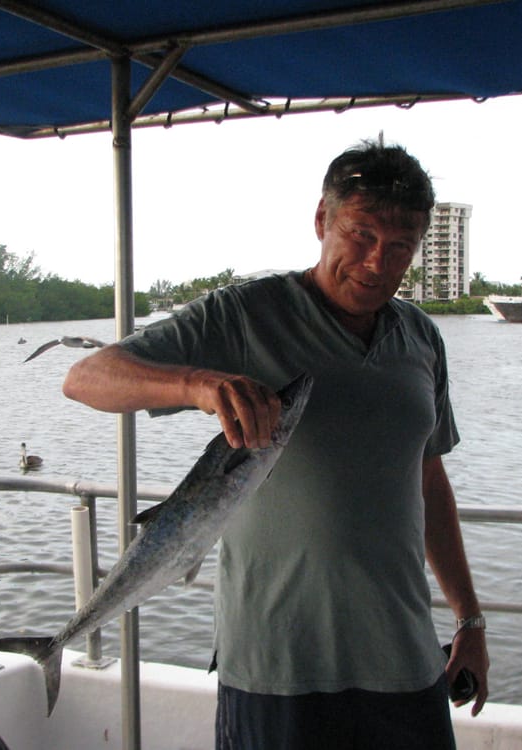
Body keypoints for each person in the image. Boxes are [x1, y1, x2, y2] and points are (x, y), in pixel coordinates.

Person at [63, 140, 489, 749]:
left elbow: (428, 481)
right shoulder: (244, 315)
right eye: (360, 236)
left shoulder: (420, 337)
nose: (376, 263)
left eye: (399, 247)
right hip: (274, 662)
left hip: (404, 656)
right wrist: (198, 384)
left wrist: (468, 616)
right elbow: (86, 377)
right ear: (322, 221)